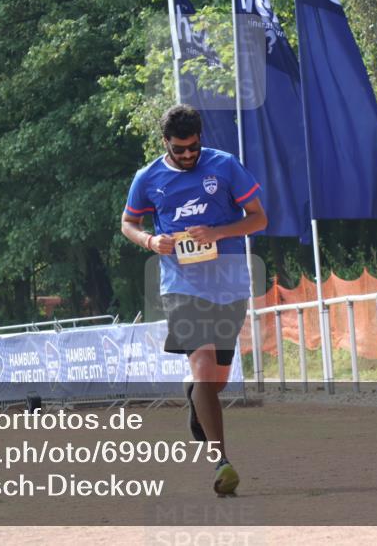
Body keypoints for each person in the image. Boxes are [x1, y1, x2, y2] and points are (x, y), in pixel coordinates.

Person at [121, 104, 267, 496]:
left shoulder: (224, 166)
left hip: (230, 285)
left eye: (192, 147)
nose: (187, 155)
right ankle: (222, 463)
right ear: (165, 142)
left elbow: (258, 218)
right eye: (179, 149)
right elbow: (128, 223)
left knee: (215, 382)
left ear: (200, 137)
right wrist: (152, 241)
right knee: (203, 368)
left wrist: (217, 233)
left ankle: (195, 399)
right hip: (182, 286)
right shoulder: (148, 178)